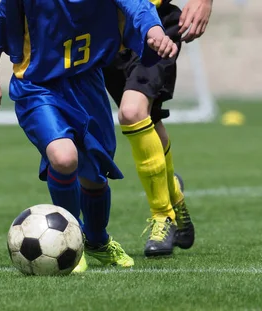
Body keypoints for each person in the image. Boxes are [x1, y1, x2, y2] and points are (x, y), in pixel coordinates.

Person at [0, 0, 179, 272]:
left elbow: (137, 5)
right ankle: (70, 243)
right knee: (64, 158)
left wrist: (153, 30)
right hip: (38, 86)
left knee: (95, 176)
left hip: (88, 83)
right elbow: (3, 17)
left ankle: (97, 240)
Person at [102, 0, 213, 257]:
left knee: (132, 112)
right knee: (148, 120)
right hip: (107, 31)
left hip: (157, 22)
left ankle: (163, 218)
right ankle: (174, 194)